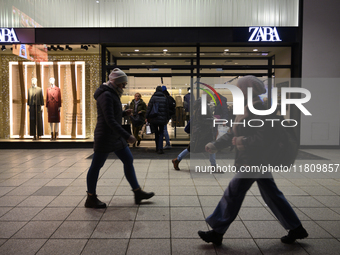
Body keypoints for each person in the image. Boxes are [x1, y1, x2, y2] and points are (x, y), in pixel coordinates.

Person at [198, 76, 308, 246]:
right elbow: (234, 132)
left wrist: (242, 141)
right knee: (272, 195)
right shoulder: (248, 107)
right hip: (253, 160)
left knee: (233, 193)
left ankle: (217, 231)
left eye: (239, 89)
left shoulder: (259, 109)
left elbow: (263, 138)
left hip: (253, 161)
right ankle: (296, 228)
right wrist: (216, 144)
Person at [85, 68, 154, 208]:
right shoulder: (106, 95)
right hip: (105, 136)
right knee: (96, 166)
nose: (124, 86)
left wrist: (123, 113)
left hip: (114, 136)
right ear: (116, 82)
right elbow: (109, 120)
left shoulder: (112, 93)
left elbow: (111, 114)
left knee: (128, 160)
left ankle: (137, 192)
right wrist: (128, 136)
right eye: (123, 83)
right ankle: (90, 197)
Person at [145, 86, 169, 154]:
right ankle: (160, 149)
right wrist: (167, 118)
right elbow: (167, 109)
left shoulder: (153, 98)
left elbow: (149, 108)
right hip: (162, 119)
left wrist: (146, 117)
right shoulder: (164, 98)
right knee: (161, 133)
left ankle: (157, 148)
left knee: (156, 133)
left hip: (154, 118)